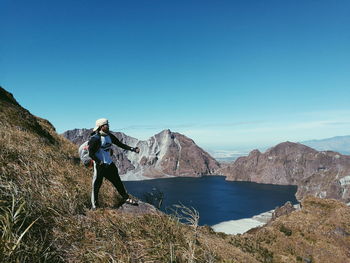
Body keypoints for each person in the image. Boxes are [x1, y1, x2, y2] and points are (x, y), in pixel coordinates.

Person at [88, 118, 140, 209]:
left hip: (109, 164)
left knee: (117, 182)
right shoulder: (95, 139)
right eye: (106, 125)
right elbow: (91, 154)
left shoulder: (109, 136)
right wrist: (100, 162)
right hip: (100, 166)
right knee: (96, 185)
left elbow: (120, 144)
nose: (108, 126)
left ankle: (125, 198)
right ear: (101, 127)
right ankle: (95, 206)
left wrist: (132, 149)